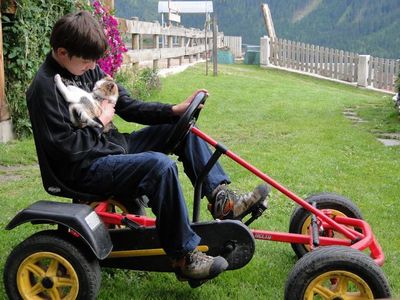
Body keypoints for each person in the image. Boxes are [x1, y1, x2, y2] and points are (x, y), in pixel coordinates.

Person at [26, 11, 269, 282]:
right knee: (159, 167)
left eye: (95, 60)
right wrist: (100, 120)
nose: (94, 65)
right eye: (87, 60)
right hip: (82, 168)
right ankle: (184, 256)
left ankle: (222, 200)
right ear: (61, 51)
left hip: (111, 147)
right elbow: (66, 148)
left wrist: (173, 111)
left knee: (184, 131)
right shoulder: (44, 88)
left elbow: (127, 105)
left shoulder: (87, 68)